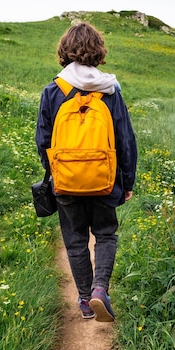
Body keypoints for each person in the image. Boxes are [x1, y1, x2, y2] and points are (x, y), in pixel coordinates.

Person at [35, 22, 137, 322]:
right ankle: (99, 290)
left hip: (65, 181)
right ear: (98, 52)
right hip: (104, 180)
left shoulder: (54, 90)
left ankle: (83, 299)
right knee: (105, 234)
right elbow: (125, 140)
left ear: (64, 51)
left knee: (75, 238)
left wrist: (55, 173)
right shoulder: (111, 91)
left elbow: (43, 141)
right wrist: (127, 181)